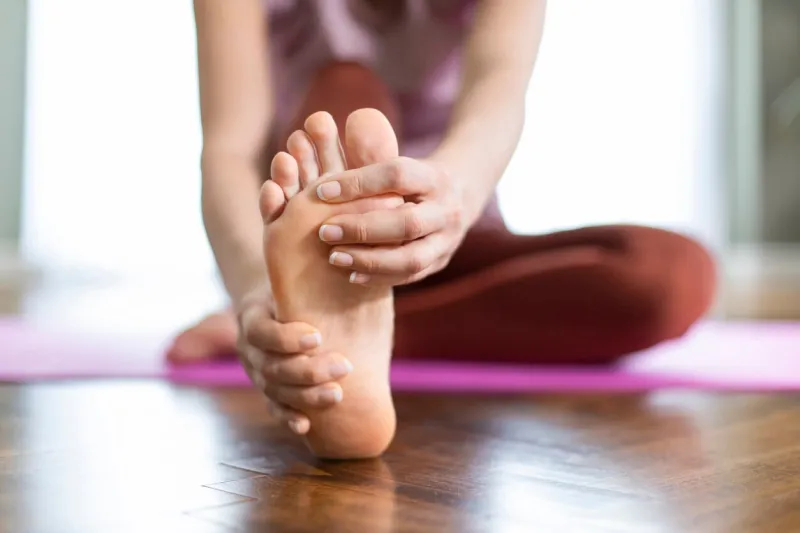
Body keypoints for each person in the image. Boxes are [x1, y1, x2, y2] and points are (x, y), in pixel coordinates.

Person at [170, 0, 716, 457]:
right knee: (349, 87)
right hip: (323, 239)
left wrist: (452, 198)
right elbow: (227, 152)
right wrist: (252, 288)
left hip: (445, 232)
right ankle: (322, 312)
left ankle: (334, 340)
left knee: (670, 275)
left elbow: (498, 96)